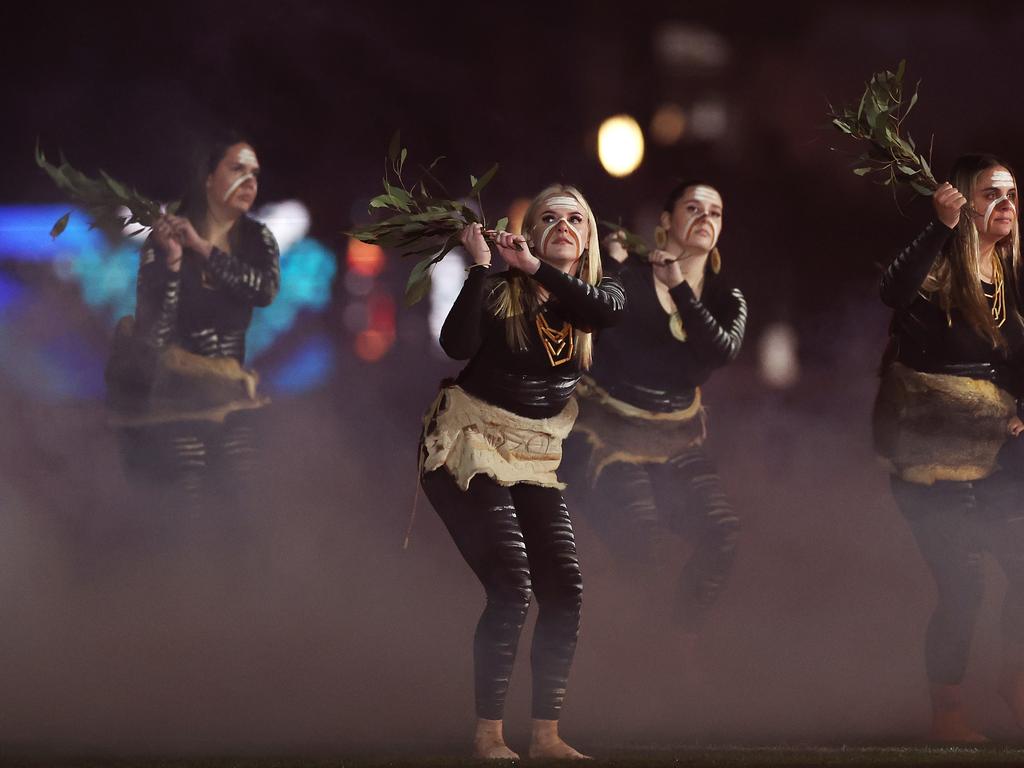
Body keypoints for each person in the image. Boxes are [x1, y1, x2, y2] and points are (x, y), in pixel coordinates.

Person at [419, 184, 625, 759]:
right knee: (512, 586)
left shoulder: (598, 296)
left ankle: (546, 735)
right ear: (529, 233)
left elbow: (601, 310)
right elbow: (454, 342)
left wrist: (538, 267)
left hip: (534, 454)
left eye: (576, 219)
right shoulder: (501, 290)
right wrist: (482, 266)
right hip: (468, 444)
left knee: (566, 589)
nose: (564, 225)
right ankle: (488, 734)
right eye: (549, 218)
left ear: (587, 239)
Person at [874, 154, 1024, 741]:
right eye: (992, 193)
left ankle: (1015, 679)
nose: (1007, 203)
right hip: (932, 452)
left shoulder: (1014, 277)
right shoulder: (937, 267)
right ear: (963, 202)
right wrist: (938, 225)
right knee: (964, 582)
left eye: (1012, 192)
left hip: (999, 457)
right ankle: (949, 711)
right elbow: (892, 292)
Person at [567, 181, 746, 649]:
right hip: (606, 440)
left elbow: (720, 352)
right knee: (642, 543)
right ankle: (630, 656)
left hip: (676, 442)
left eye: (716, 211)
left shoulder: (727, 298)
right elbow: (588, 329)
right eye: (693, 208)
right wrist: (614, 270)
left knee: (722, 534)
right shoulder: (626, 280)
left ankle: (678, 643)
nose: (706, 217)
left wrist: (682, 290)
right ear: (666, 221)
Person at [109, 134, 280, 519]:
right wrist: (171, 264)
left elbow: (264, 290)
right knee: (190, 499)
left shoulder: (257, 239)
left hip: (233, 399)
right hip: (174, 404)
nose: (250, 181)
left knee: (244, 494)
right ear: (208, 177)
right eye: (237, 169)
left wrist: (203, 249)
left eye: (254, 172)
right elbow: (153, 336)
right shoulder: (164, 241)